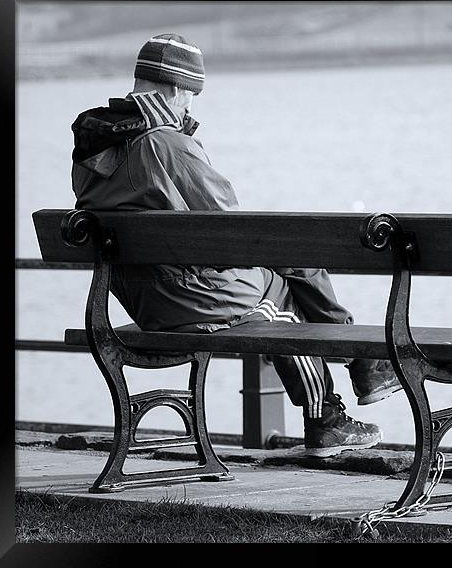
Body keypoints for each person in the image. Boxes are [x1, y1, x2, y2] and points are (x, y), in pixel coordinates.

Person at [70, 33, 403, 457]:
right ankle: (332, 411)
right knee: (288, 283)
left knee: (291, 264)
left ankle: (358, 375)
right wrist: (184, 140)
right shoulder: (165, 143)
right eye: (190, 95)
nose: (190, 106)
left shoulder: (91, 147)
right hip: (189, 302)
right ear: (173, 87)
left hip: (141, 300)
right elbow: (232, 226)